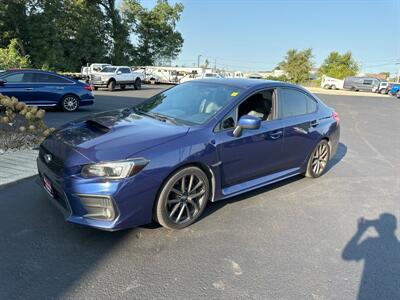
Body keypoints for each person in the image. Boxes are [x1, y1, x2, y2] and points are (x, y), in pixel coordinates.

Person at [342, 213, 400, 300]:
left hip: (368, 294)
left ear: (377, 227)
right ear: (395, 227)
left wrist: (361, 231)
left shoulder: (371, 243)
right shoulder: (397, 247)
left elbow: (347, 255)